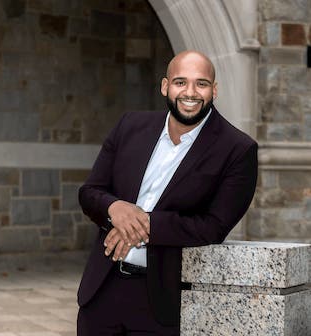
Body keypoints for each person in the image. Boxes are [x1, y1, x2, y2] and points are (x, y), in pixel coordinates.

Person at [76, 50, 258, 335]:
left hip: (162, 301)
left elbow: (214, 226)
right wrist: (116, 209)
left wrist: (145, 224)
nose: (190, 92)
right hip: (102, 291)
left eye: (201, 83)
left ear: (214, 90)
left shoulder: (238, 149)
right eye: (180, 82)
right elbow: (90, 192)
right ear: (165, 86)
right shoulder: (129, 126)